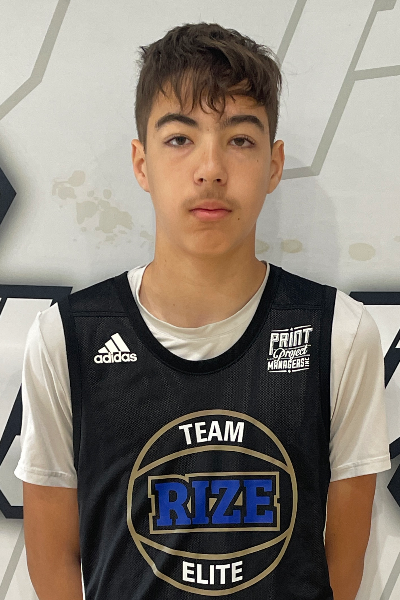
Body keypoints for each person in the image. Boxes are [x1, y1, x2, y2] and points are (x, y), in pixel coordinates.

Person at [15, 22, 390, 600]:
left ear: (273, 164)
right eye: (179, 138)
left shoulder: (340, 332)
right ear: (141, 163)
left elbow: (343, 561)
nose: (210, 168)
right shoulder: (66, 337)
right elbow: (51, 560)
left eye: (239, 139)